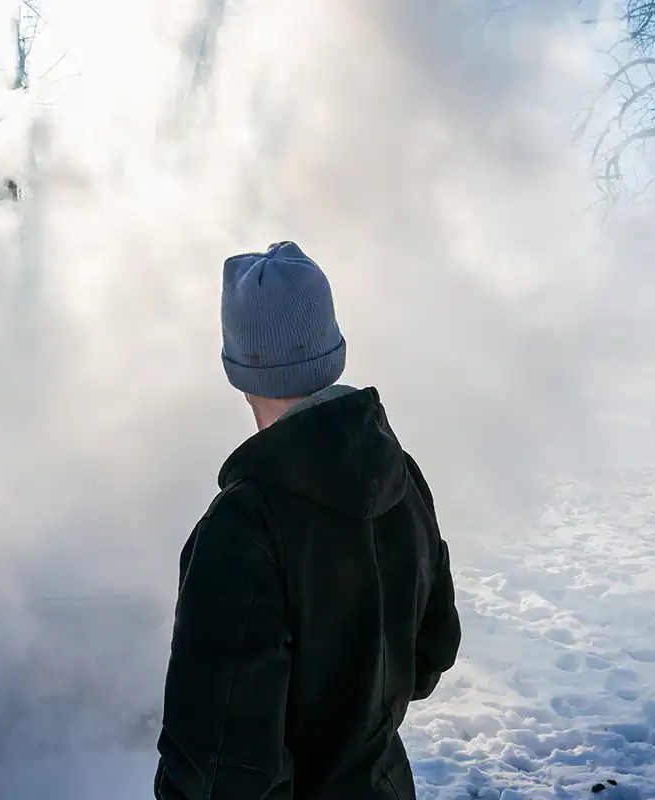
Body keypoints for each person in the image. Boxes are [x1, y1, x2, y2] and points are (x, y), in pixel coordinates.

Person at [154, 241, 462, 800]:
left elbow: (220, 766)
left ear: (240, 367)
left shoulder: (244, 526)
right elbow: (432, 652)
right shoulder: (401, 474)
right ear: (331, 348)